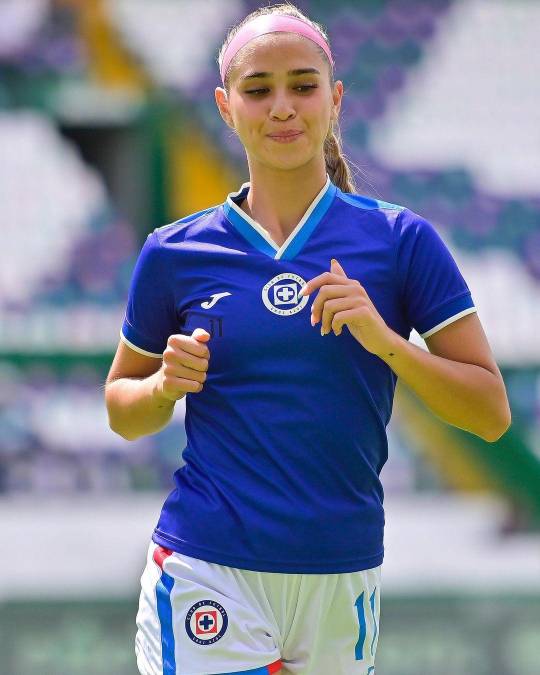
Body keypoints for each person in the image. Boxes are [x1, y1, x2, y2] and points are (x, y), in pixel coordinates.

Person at [104, 4, 511, 674]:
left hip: (343, 576)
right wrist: (162, 388)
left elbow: (490, 414)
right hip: (209, 568)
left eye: (302, 85)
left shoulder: (401, 241)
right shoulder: (174, 252)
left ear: (335, 98)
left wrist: (387, 342)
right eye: (258, 89)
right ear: (226, 107)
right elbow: (122, 409)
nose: (282, 107)